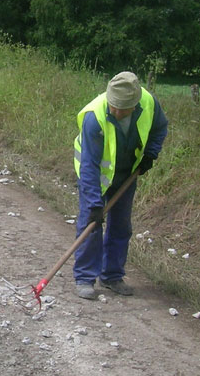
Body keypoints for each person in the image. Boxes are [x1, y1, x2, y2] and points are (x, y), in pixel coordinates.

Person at [72, 71, 168, 299]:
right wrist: (95, 204)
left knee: (121, 226)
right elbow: (89, 166)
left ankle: (112, 276)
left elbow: (159, 128)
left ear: (134, 105)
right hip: (96, 176)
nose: (115, 111)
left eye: (121, 108)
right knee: (91, 223)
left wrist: (150, 155)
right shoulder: (94, 117)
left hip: (126, 174)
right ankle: (85, 278)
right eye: (113, 105)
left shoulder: (149, 104)